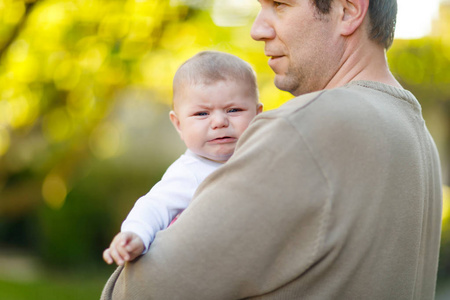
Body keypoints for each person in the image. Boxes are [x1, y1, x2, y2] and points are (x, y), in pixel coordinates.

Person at [101, 0, 443, 299]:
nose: (257, 29)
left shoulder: (302, 127)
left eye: (279, 4)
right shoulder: (414, 132)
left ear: (348, 10)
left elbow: (142, 293)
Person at [103, 50, 262, 266]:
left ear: (258, 114)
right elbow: (155, 206)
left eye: (233, 110)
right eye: (202, 114)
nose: (219, 122)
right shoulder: (190, 172)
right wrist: (136, 234)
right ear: (178, 124)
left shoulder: (266, 156)